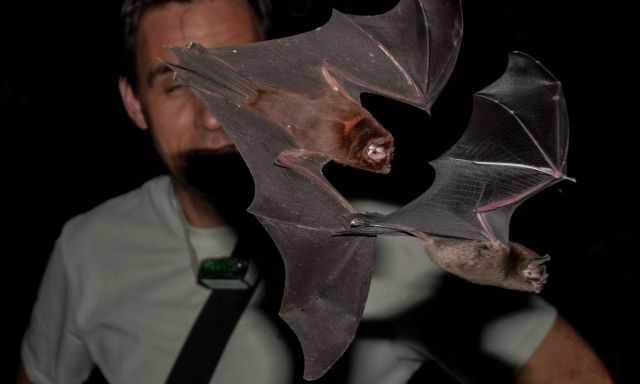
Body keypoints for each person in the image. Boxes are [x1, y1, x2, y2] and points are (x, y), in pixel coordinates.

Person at [18, 0, 613, 383]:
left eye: (241, 73)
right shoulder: (89, 247)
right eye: (177, 85)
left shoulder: (399, 245)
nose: (212, 117)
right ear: (132, 102)